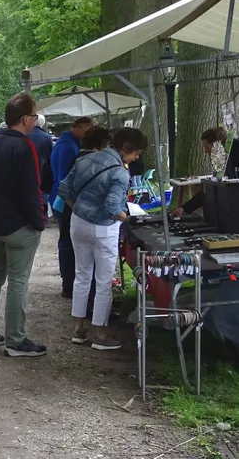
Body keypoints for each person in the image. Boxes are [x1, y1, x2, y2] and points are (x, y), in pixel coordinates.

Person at [0, 94, 47, 358]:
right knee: (18, 281)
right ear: (25, 119)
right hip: (18, 226)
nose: (35, 122)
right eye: (35, 117)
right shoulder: (25, 147)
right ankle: (16, 339)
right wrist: (39, 221)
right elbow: (31, 190)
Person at [59, 128, 147, 351]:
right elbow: (112, 208)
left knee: (81, 276)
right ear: (126, 148)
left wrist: (78, 209)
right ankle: (100, 333)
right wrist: (129, 218)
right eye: (136, 153)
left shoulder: (86, 159)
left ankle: (78, 329)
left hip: (78, 223)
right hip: (103, 229)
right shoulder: (120, 173)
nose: (136, 157)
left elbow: (64, 189)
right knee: (103, 281)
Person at [54, 126, 112, 301]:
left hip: (66, 208)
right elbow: (68, 188)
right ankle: (88, 299)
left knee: (76, 259)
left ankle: (73, 292)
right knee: (85, 263)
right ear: (102, 144)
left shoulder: (77, 155)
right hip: (77, 212)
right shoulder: (88, 159)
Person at [50, 116, 95, 297]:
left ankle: (69, 283)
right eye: (91, 128)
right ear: (83, 128)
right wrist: (74, 204)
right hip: (64, 201)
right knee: (68, 243)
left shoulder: (66, 143)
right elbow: (65, 180)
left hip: (61, 199)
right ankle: (68, 284)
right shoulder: (68, 147)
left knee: (67, 242)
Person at [172, 126, 239, 216]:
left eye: (207, 147)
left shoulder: (232, 154)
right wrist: (184, 208)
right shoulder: (222, 159)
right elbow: (210, 189)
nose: (205, 151)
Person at [28, 114, 54, 207]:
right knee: (42, 203)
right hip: (42, 174)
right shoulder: (46, 137)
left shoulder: (25, 134)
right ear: (42, 123)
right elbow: (51, 156)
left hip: (26, 173)